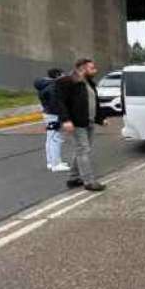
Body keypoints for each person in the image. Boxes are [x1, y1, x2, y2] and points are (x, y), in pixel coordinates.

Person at [55, 58, 106, 191]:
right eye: (92, 68)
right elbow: (60, 103)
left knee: (81, 150)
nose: (95, 70)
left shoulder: (88, 83)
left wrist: (100, 119)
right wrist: (65, 120)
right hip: (76, 123)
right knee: (83, 150)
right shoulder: (67, 81)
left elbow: (94, 102)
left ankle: (73, 178)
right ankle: (89, 181)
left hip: (88, 121)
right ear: (82, 68)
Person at [34, 68, 69, 172]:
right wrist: (62, 115)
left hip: (48, 114)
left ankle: (51, 161)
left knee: (50, 138)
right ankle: (56, 164)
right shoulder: (53, 87)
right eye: (63, 75)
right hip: (54, 115)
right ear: (58, 75)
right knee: (56, 138)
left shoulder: (45, 86)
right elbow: (56, 103)